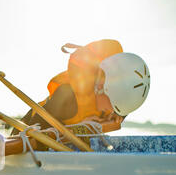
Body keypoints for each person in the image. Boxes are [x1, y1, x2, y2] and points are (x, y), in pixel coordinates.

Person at [12, 40, 150, 136]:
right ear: (101, 87)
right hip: (27, 128)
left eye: (116, 110)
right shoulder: (67, 95)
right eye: (110, 107)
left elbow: (118, 109)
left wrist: (116, 116)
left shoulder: (122, 99)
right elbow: (34, 131)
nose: (110, 112)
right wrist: (79, 128)